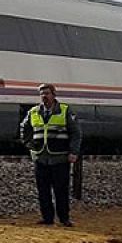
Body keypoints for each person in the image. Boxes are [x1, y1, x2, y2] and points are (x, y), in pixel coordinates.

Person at [20, 83, 82, 227]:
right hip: (41, 157)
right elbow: (24, 128)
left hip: (60, 157)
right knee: (43, 190)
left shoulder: (65, 110)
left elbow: (76, 133)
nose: (44, 96)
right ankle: (47, 218)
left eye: (47, 93)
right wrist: (28, 144)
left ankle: (64, 218)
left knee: (61, 190)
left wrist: (73, 152)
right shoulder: (34, 111)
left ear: (54, 95)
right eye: (42, 94)